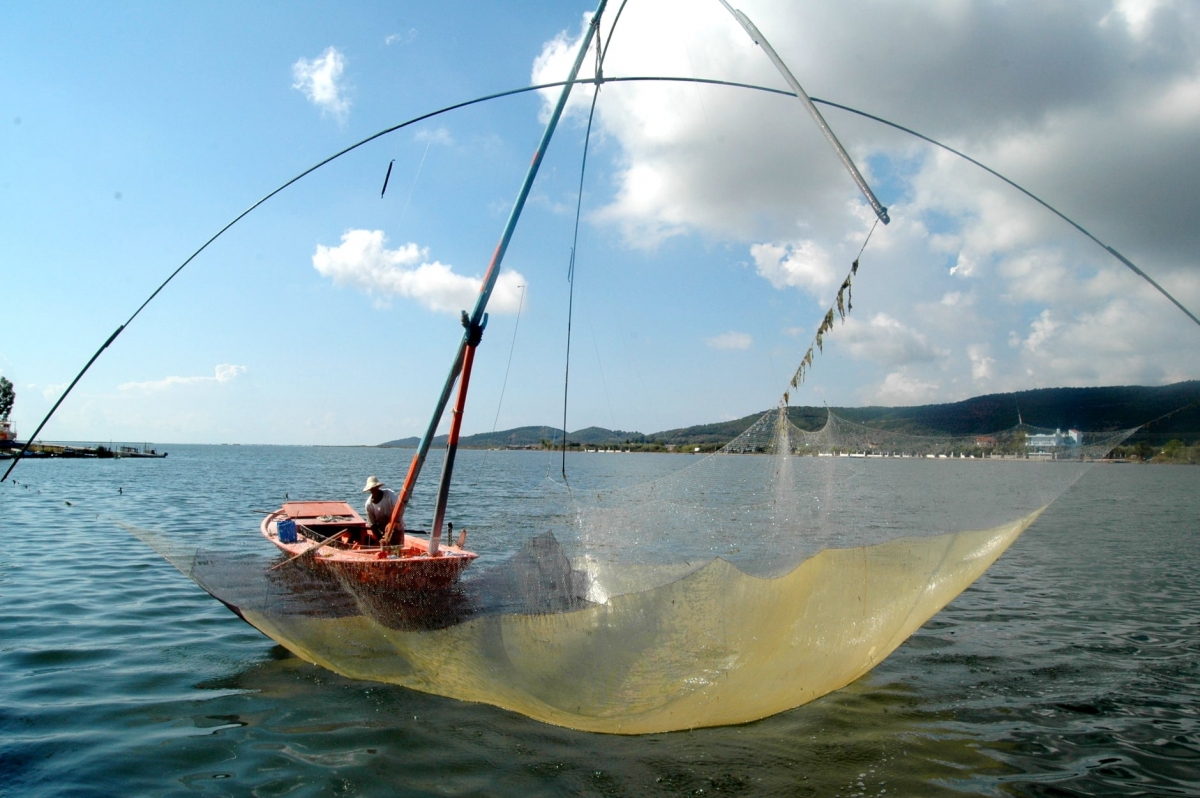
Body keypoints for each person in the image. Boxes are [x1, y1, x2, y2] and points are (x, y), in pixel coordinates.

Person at [362, 475, 403, 544]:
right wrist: (380, 538)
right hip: (383, 531)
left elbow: (398, 509)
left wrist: (391, 523)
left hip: (397, 528)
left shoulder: (389, 494)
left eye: (375, 487)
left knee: (397, 549)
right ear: (370, 490)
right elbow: (372, 524)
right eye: (372, 488)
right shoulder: (369, 505)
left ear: (378, 487)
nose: (374, 490)